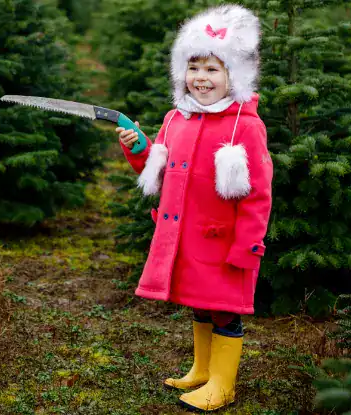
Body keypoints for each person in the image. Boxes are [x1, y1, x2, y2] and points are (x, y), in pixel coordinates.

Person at [115, 4, 272, 412]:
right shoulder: (176, 118)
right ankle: (202, 370)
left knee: (223, 310)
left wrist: (248, 245)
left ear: (232, 76)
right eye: (194, 68)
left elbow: (258, 193)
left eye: (212, 70)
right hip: (187, 236)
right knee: (200, 302)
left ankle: (223, 384)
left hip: (223, 243)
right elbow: (162, 170)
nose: (201, 79)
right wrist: (139, 149)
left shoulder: (246, 126)